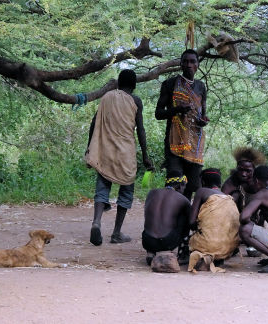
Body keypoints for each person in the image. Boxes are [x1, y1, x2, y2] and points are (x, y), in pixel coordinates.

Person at [85, 69, 154, 246]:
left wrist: (89, 148)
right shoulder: (135, 101)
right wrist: (146, 155)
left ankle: (96, 222)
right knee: (126, 191)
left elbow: (95, 123)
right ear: (134, 85)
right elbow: (140, 129)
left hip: (105, 151)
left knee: (102, 188)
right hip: (126, 153)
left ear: (117, 83)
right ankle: (116, 233)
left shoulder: (107, 97)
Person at [155, 49, 209, 199]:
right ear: (180, 64)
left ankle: (184, 219)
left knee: (191, 187)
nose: (189, 64)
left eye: (192, 61)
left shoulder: (201, 87)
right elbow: (158, 113)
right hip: (174, 142)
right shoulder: (170, 83)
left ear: (198, 64)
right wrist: (177, 109)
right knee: (175, 183)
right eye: (185, 61)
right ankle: (169, 218)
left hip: (195, 144)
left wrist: (203, 121)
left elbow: (202, 115)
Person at [188, 168, 240, 271]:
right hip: (229, 248)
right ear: (219, 183)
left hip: (207, 245)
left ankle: (205, 256)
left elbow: (191, 222)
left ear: (202, 181)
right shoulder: (228, 198)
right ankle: (218, 259)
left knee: (195, 237)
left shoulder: (201, 191)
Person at [142, 172, 191, 266]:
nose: (184, 189)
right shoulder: (182, 199)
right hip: (167, 242)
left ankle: (151, 252)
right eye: (184, 187)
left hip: (147, 240)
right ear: (180, 186)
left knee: (155, 216)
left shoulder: (151, 193)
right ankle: (183, 253)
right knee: (184, 215)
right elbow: (191, 222)